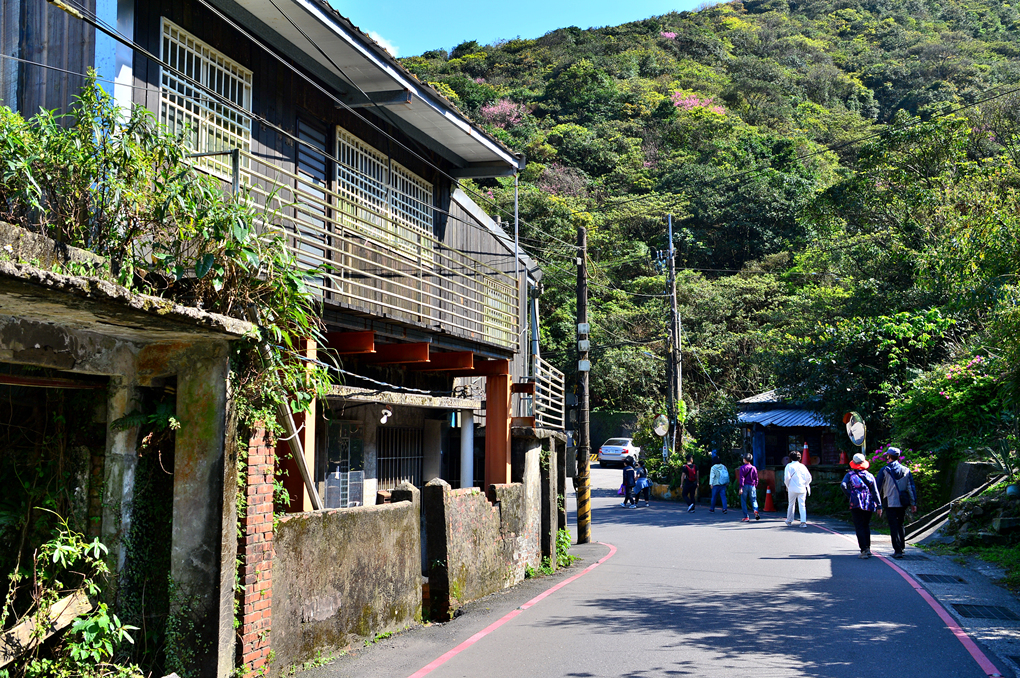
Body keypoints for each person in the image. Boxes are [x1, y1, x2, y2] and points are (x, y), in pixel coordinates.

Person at [875, 447, 918, 559]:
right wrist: (913, 503)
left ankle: (897, 550)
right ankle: (902, 547)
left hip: (889, 502)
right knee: (900, 524)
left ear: (889, 456)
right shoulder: (906, 470)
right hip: (902, 503)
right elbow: (911, 487)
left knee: (893, 526)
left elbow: (878, 488)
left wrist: (876, 503)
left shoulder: (885, 470)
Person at [841, 452, 882, 558]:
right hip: (868, 503)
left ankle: (863, 550)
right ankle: (868, 548)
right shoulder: (869, 475)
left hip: (855, 503)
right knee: (866, 525)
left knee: (859, 526)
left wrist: (850, 495)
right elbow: (875, 491)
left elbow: (843, 485)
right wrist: (879, 505)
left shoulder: (849, 475)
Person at [783, 450, 812, 527]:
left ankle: (789, 520)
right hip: (802, 488)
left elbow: (786, 478)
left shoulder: (788, 466)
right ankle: (803, 522)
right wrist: (806, 484)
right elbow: (809, 477)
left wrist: (787, 485)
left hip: (792, 488)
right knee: (802, 505)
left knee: (791, 504)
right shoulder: (803, 466)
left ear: (790, 458)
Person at [737, 453, 760, 522]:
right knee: (754, 500)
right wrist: (755, 485)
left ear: (745, 459)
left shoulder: (742, 468)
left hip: (745, 486)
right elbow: (756, 478)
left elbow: (741, 478)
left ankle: (746, 517)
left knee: (744, 501)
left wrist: (740, 487)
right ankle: (756, 513)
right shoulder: (753, 468)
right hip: (752, 486)